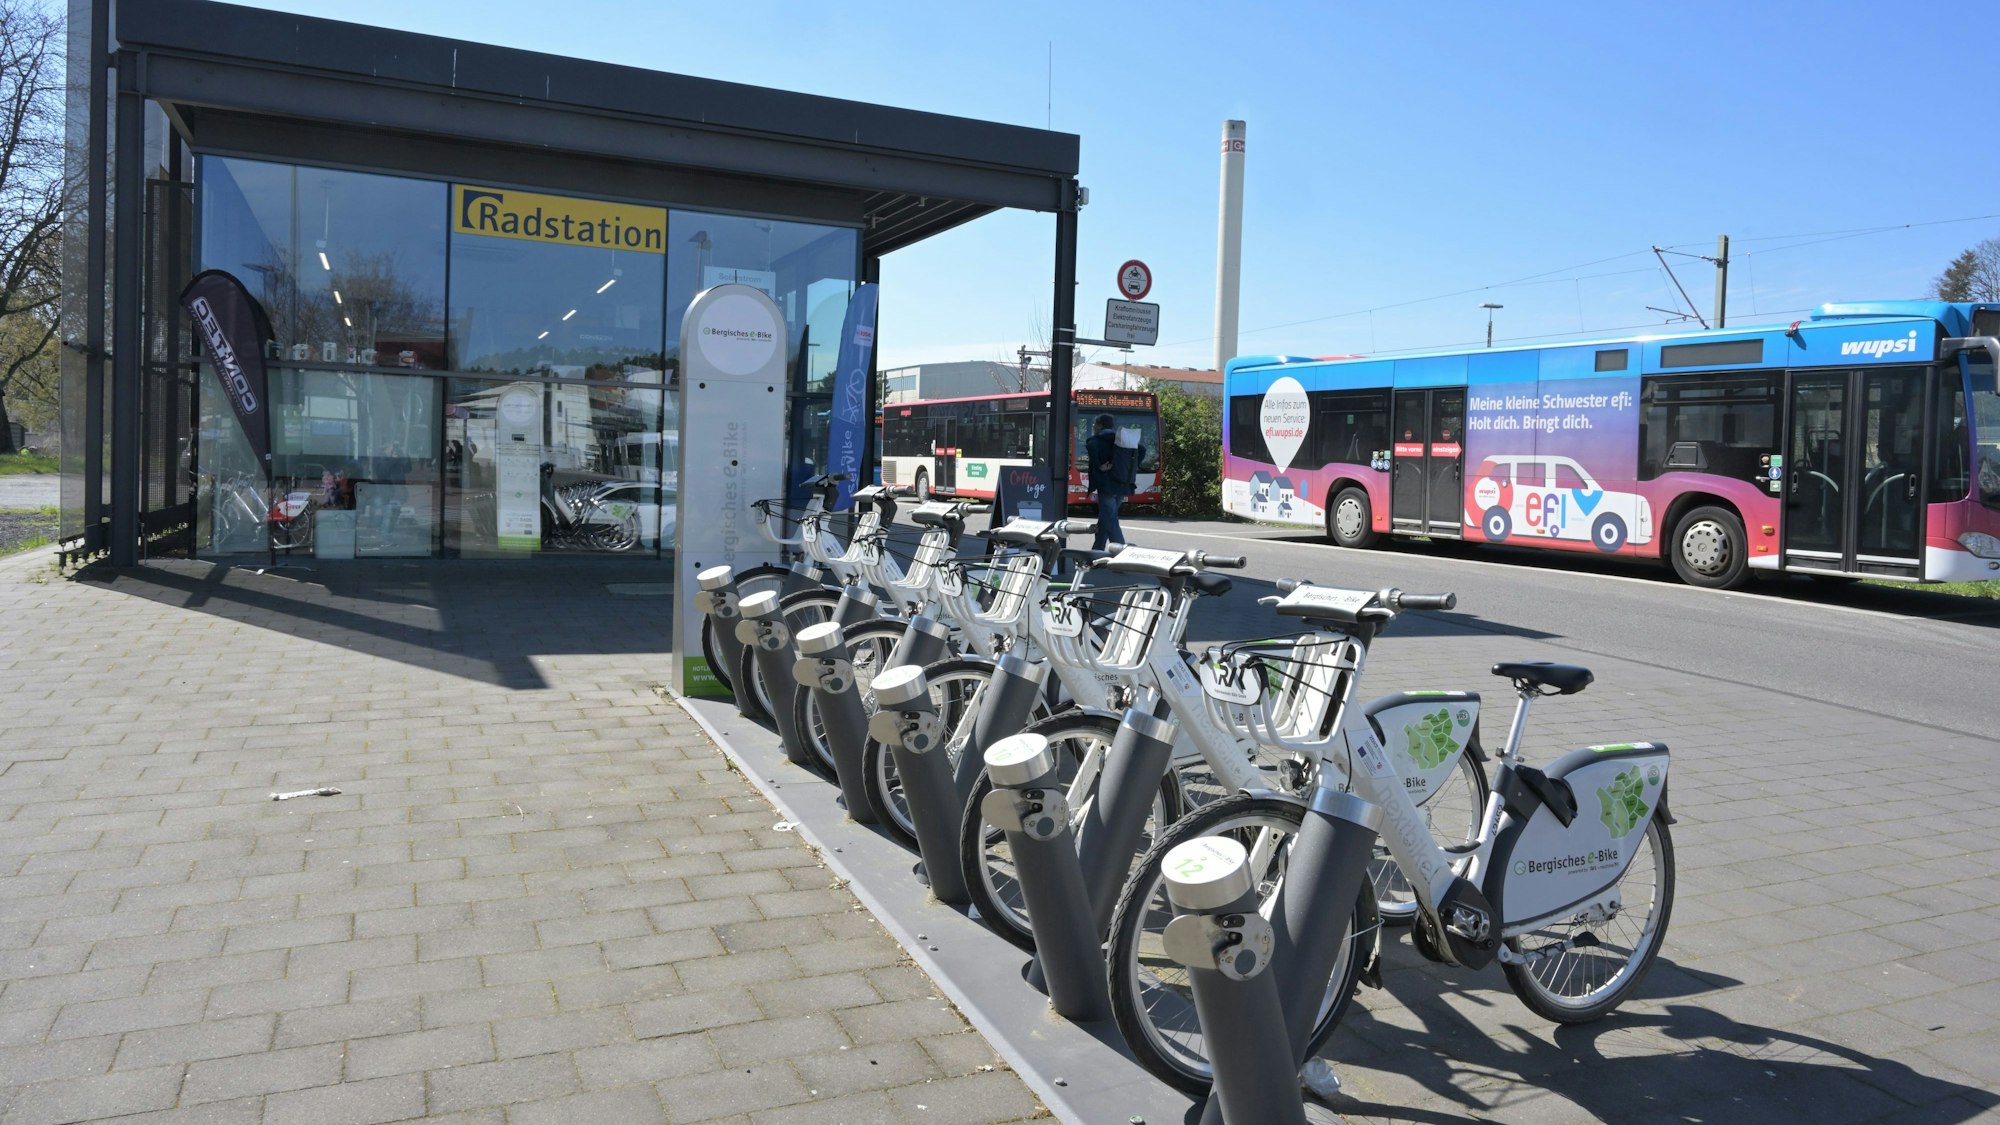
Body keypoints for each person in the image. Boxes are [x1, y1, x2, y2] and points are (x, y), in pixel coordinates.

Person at [1086, 413, 1141, 550]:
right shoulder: (1122, 440)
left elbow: (1091, 447)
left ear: (1100, 426)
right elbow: (1142, 450)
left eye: (1095, 425)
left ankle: (1121, 553)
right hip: (1123, 484)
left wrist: (1100, 466)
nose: (1093, 427)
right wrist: (1131, 467)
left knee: (1110, 519)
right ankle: (1097, 550)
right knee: (1107, 517)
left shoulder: (1096, 440)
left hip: (1107, 486)